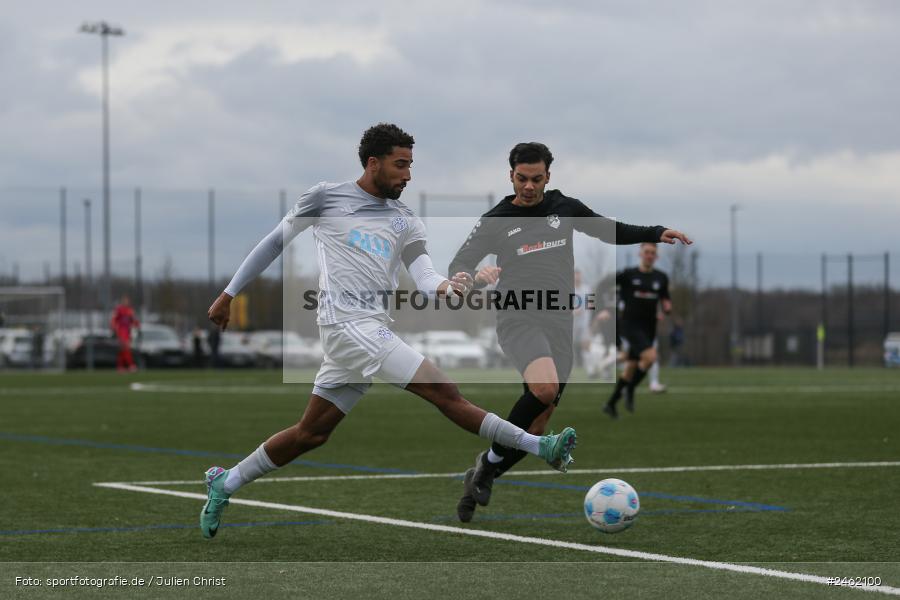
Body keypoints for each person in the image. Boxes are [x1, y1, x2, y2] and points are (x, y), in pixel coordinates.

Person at [200, 124, 578, 539]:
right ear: (373, 163)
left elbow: (426, 276)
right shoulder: (327, 197)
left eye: (411, 166)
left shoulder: (405, 221)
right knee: (443, 390)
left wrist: (450, 286)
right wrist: (229, 293)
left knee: (311, 433)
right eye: (401, 165)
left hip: (366, 331)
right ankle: (538, 446)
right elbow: (274, 242)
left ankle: (226, 482)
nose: (408, 175)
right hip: (345, 326)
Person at [447, 142, 691, 522]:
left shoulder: (564, 207)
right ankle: (487, 468)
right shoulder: (495, 220)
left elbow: (609, 230)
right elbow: (459, 265)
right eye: (522, 178)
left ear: (548, 177)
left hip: (559, 323)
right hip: (518, 316)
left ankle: (487, 467)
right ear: (510, 175)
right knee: (543, 390)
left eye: (537, 179)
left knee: (540, 423)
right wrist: (476, 277)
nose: (529, 186)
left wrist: (656, 232)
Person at [604, 243, 672, 419]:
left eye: (653, 253)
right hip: (630, 325)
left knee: (631, 367)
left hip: (649, 327)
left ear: (656, 256)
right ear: (640, 254)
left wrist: (666, 306)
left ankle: (611, 404)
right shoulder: (628, 275)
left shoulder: (661, 277)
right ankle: (631, 389)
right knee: (650, 357)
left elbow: (665, 298)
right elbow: (606, 284)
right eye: (647, 252)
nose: (649, 255)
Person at [110, 295, 139, 372]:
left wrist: (136, 325)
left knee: (123, 350)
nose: (126, 302)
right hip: (121, 331)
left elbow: (134, 320)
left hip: (128, 332)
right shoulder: (119, 309)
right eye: (124, 301)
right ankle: (131, 365)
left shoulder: (130, 310)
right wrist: (113, 328)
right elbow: (114, 319)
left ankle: (120, 367)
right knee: (125, 348)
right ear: (122, 301)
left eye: (127, 301)